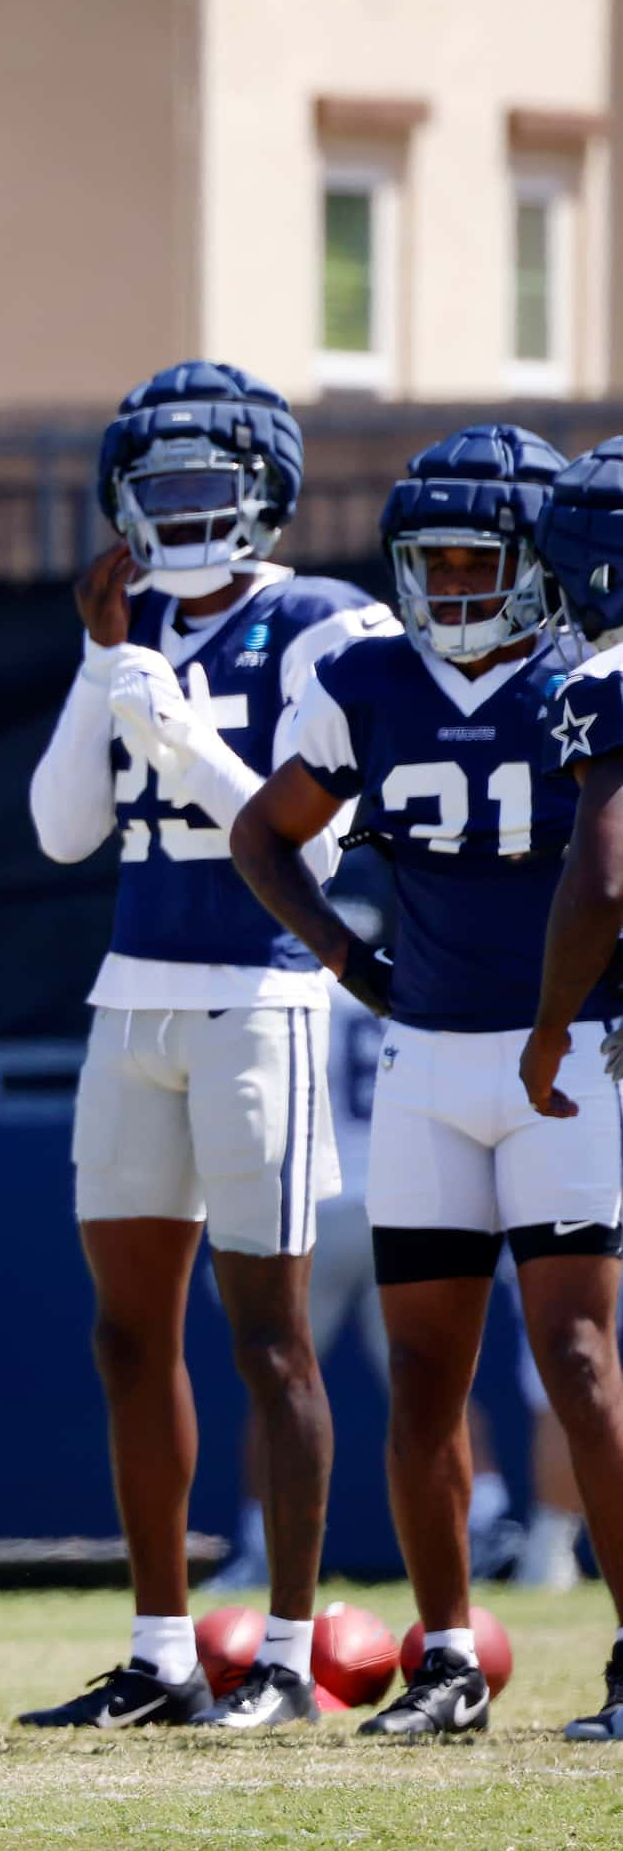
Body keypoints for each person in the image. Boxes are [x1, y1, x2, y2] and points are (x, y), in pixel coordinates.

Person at [19, 364, 392, 1730]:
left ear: (265, 493)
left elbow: (325, 840)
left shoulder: (320, 621)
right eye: (157, 487)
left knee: (270, 1339)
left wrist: (174, 727)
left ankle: (286, 1653)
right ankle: (162, 1646)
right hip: (134, 996)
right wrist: (101, 664)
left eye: (203, 487)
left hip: (262, 994)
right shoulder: (134, 620)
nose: (177, 512)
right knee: (128, 1336)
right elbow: (62, 829)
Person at [239, 423, 622, 1737]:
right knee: (421, 1372)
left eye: (479, 558)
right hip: (427, 1058)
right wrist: (352, 959)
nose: (453, 584)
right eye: (432, 560)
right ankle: (447, 1655)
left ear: (539, 560)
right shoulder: (366, 679)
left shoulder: (589, 673)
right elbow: (263, 831)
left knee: (576, 1356)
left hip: (572, 1055)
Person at [507, 431, 623, 1737]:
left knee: (586, 1352)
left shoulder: (602, 675)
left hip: (605, 1046)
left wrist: (548, 1030)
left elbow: (600, 874)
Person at [207, 866, 391, 1593]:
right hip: (396, 1205)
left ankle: (260, 1541)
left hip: (310, 1207)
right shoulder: (399, 978)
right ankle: (488, 1521)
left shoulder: (276, 984)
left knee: (278, 1383)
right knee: (427, 1387)